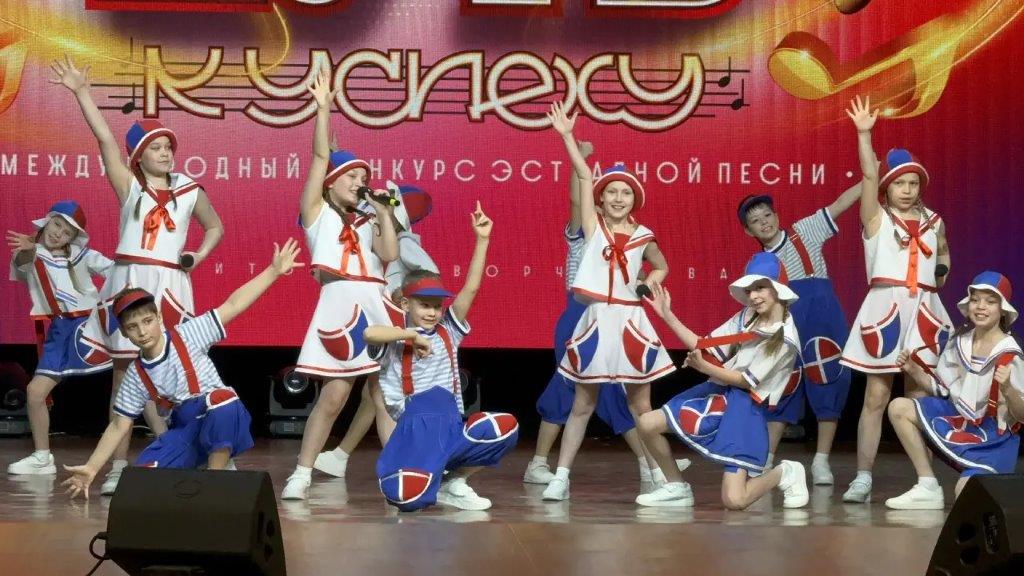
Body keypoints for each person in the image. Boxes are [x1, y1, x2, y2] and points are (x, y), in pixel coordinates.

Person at [55, 55, 225, 495]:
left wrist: (197, 256)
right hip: (130, 281)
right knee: (125, 374)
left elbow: (216, 227)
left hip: (170, 285)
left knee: (178, 369)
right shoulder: (130, 187)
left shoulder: (189, 189)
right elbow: (105, 140)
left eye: (168, 146)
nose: (165, 152)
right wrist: (81, 92)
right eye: (155, 147)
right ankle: (117, 466)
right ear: (138, 156)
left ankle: (178, 450)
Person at [62, 239, 304, 499]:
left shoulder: (189, 334)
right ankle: (199, 463)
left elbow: (233, 305)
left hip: (219, 417)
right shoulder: (136, 373)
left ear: (159, 318)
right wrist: (92, 468)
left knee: (221, 399)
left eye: (147, 321)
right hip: (184, 431)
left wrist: (273, 271)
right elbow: (119, 425)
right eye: (133, 327)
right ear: (124, 332)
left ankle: (216, 476)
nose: (142, 331)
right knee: (144, 479)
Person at [839, 96, 952, 503]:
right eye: (899, 183)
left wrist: (936, 281)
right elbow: (868, 174)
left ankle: (926, 480)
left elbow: (943, 257)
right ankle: (863, 477)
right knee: (876, 396)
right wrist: (864, 134)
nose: (906, 190)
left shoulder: (934, 221)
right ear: (888, 187)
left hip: (923, 311)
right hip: (886, 309)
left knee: (920, 398)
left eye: (913, 183)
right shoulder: (877, 217)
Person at [636, 253, 809, 509]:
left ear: (778, 289)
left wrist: (703, 367)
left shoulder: (785, 339)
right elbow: (704, 345)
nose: (753, 296)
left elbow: (745, 381)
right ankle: (676, 486)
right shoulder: (747, 316)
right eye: (749, 290)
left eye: (760, 288)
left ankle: (786, 473)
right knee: (647, 423)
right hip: (720, 393)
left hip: (746, 410)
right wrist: (666, 315)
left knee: (734, 500)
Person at [373, 203, 517, 511]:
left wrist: (482, 240)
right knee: (407, 499)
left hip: (451, 423)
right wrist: (410, 336)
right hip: (415, 431)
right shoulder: (396, 337)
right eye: (424, 305)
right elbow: (369, 334)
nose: (432, 312)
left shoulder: (448, 329)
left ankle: (454, 481)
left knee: (505, 427)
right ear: (405, 304)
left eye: (437, 306)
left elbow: (471, 288)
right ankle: (428, 477)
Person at [886, 272, 1023, 509]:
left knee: (965, 493)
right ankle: (928, 485)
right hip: (961, 423)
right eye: (975, 300)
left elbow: (1021, 415)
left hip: (993, 441)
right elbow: (942, 389)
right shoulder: (960, 342)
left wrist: (1008, 389)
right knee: (899, 407)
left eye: (990, 301)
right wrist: (914, 370)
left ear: (1002, 310)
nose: (980, 307)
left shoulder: (1010, 354)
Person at [6, 202, 113, 475]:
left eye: (67, 232)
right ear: (47, 220)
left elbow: (114, 271)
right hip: (60, 329)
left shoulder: (81, 255)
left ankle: (157, 445)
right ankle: (42, 458)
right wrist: (28, 250)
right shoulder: (31, 251)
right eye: (57, 225)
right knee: (35, 393)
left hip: (90, 326)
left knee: (133, 383)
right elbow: (22, 263)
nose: (58, 234)